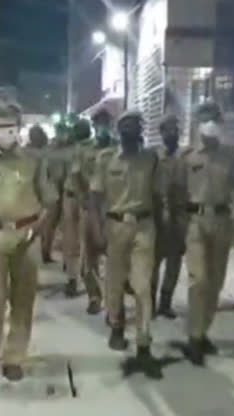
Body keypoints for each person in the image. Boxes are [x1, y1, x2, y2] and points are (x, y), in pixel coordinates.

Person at [0, 103, 59, 380]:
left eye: (10, 127)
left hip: (25, 236)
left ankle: (15, 355)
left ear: (18, 129)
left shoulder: (34, 161)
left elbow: (50, 202)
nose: (4, 132)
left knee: (23, 298)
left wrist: (37, 232)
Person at [89, 110, 163, 379]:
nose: (130, 132)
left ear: (141, 130)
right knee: (115, 281)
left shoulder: (151, 159)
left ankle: (144, 341)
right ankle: (117, 325)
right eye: (126, 127)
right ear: (119, 131)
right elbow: (95, 197)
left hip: (144, 226)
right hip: (115, 225)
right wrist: (97, 230)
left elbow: (158, 195)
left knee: (143, 286)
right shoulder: (106, 160)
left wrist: (165, 230)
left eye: (135, 127)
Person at [180, 100, 234, 365]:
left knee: (215, 282)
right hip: (195, 221)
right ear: (198, 124)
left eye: (215, 117)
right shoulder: (187, 157)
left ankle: (203, 330)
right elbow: (176, 191)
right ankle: (194, 337)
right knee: (198, 279)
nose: (211, 122)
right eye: (206, 117)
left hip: (222, 221)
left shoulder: (230, 155)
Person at [151, 115, 189, 319]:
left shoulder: (186, 156)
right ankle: (149, 302)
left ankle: (165, 302)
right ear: (161, 132)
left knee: (174, 262)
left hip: (180, 215)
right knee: (154, 262)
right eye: (167, 129)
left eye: (175, 129)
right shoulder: (154, 156)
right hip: (158, 216)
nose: (171, 133)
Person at [65, 118, 103, 311]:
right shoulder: (75, 149)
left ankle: (97, 290)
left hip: (93, 202)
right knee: (78, 244)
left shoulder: (100, 149)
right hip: (78, 199)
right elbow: (73, 175)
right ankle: (87, 288)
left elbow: (78, 175)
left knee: (91, 247)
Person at [43, 121, 71, 264]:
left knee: (66, 226)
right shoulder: (50, 150)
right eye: (60, 132)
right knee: (50, 224)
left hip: (66, 190)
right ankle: (45, 252)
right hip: (54, 190)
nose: (63, 135)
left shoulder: (68, 150)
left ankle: (66, 257)